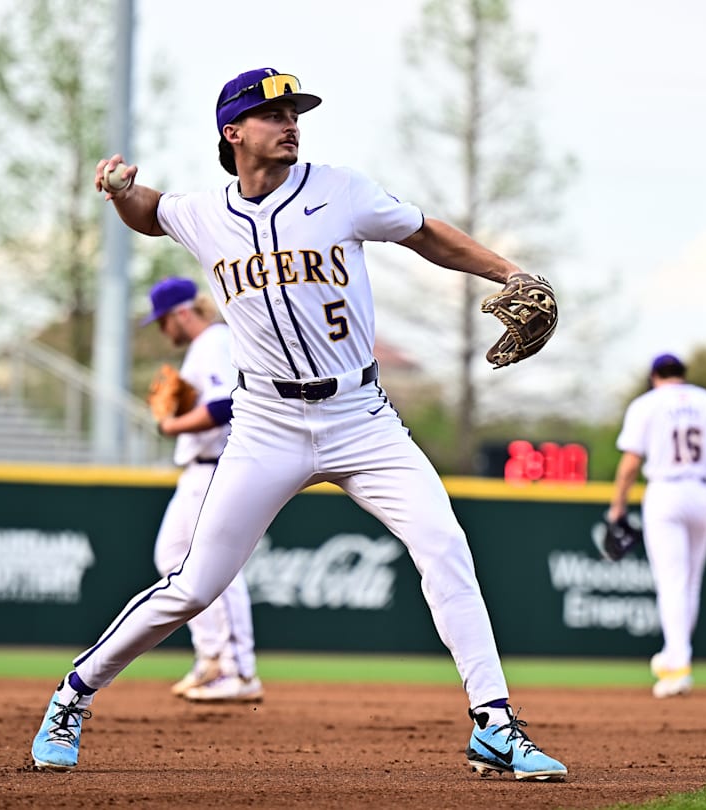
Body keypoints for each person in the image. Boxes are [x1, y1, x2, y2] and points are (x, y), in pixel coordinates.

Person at [30, 67, 567, 782]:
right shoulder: (206, 212)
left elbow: (424, 234)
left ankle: (493, 725)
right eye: (272, 113)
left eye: (294, 111)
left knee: (444, 545)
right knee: (193, 585)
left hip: (361, 416)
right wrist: (124, 191)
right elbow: (152, 211)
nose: (290, 122)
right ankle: (72, 696)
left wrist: (507, 272)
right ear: (233, 133)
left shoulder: (339, 189)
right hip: (267, 425)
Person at [607, 354, 706, 698]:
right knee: (689, 584)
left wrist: (618, 504)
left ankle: (678, 664)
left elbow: (631, 462)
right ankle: (673, 656)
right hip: (701, 493)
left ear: (654, 377)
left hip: (664, 492)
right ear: (683, 375)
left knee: (672, 582)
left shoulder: (647, 404)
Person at [143, 276, 263, 703]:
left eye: (161, 321)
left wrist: (173, 424)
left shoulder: (213, 341)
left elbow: (223, 404)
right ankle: (212, 657)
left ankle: (238, 670)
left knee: (217, 567)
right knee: (173, 556)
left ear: (181, 313)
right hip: (199, 470)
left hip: (216, 469)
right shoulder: (206, 346)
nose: (162, 331)